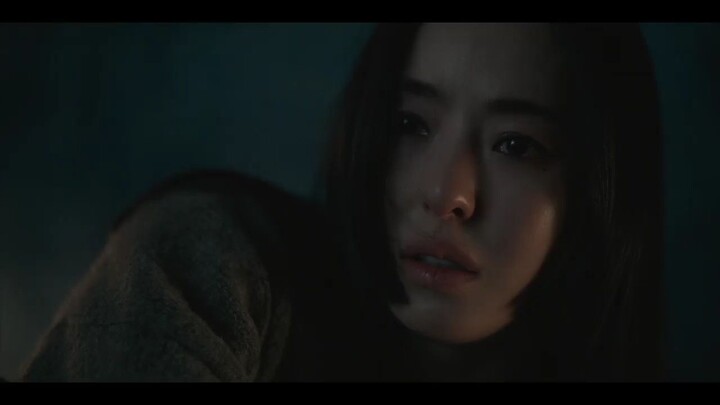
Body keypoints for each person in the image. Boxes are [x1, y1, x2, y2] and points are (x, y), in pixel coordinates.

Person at [17, 23, 664, 382]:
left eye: (516, 145)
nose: (447, 196)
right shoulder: (213, 263)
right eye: (410, 124)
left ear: (597, 192)